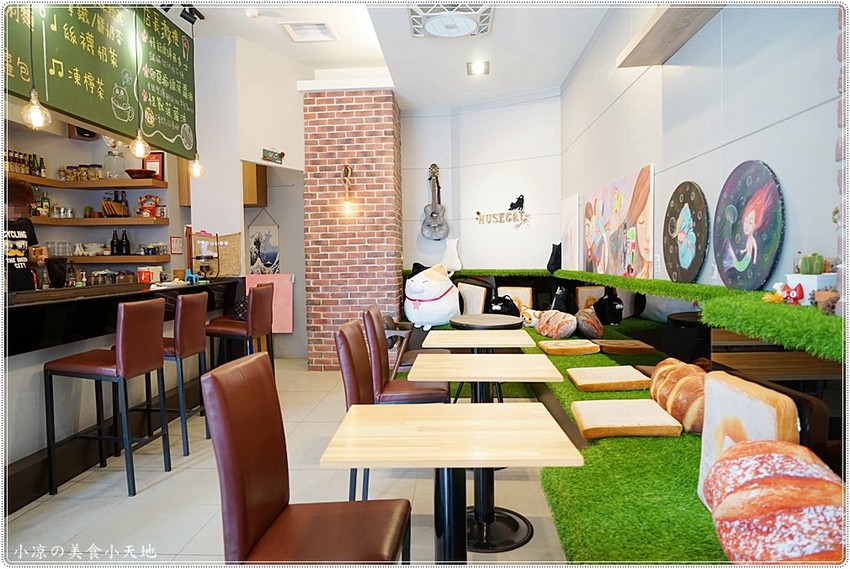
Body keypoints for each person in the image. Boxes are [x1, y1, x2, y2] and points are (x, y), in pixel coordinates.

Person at [5, 178, 45, 291]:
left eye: (23, 207)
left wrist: (38, 259)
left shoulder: (26, 223)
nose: (18, 213)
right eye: (14, 207)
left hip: (25, 285)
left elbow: (28, 255)